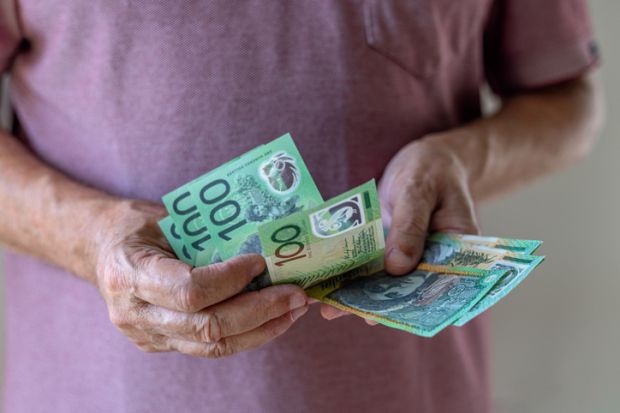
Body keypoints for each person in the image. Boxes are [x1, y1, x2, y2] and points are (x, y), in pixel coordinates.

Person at [0, 1, 602, 412]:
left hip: (410, 394)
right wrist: (90, 237)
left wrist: (466, 158)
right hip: (96, 392)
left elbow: (568, 100)